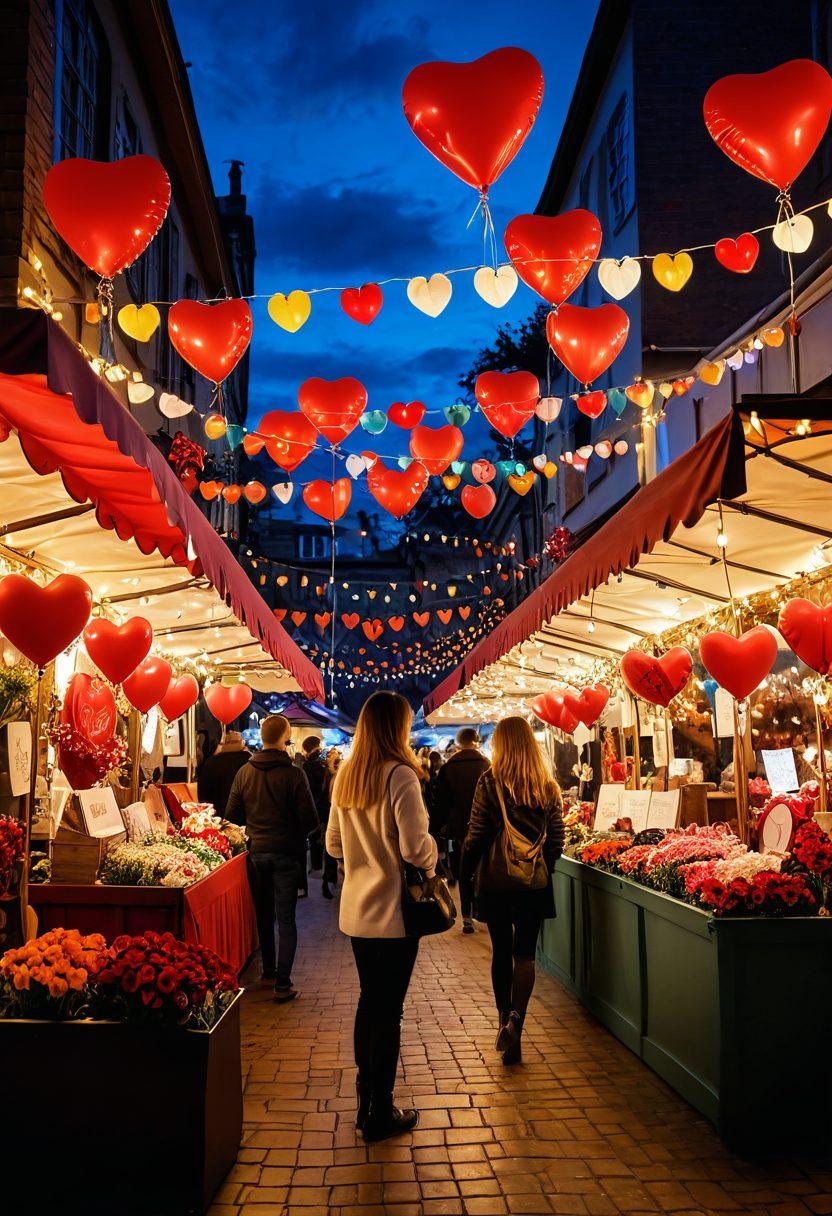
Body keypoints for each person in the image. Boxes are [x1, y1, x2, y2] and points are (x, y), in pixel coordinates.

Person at [326, 691, 437, 1143]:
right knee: (387, 1008)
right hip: (394, 911)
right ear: (398, 728)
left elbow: (333, 843)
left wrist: (361, 858)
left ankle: (364, 1100)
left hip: (357, 910)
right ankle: (379, 1111)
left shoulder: (347, 775)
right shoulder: (401, 775)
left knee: (370, 1001)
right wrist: (432, 861)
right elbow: (415, 846)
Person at [461, 716, 564, 1065]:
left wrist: (465, 870)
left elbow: (476, 834)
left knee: (501, 952)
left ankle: (505, 1019)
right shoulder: (547, 786)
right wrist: (540, 869)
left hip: (496, 882)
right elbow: (557, 840)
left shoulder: (490, 782)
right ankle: (517, 1019)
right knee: (526, 956)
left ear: (500, 744)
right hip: (533, 884)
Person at [226, 714, 319, 1002]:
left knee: (264, 916)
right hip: (287, 853)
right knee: (287, 918)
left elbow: (231, 815)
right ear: (285, 738)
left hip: (257, 851)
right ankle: (282, 982)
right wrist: (292, 832)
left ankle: (268, 971)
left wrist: (256, 825)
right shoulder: (293, 774)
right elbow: (311, 819)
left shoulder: (244, 772)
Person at [433, 728, 490, 933]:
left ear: (458, 743)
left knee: (464, 870)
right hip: (484, 826)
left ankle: (467, 917)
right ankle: (482, 910)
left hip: (459, 828)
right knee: (483, 869)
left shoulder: (449, 768)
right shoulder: (487, 765)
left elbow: (441, 802)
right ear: (475, 741)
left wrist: (438, 828)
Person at [197, 730, 250, 817]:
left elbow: (203, 794)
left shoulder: (211, 763)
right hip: (246, 816)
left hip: (219, 815)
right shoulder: (250, 762)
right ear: (242, 744)